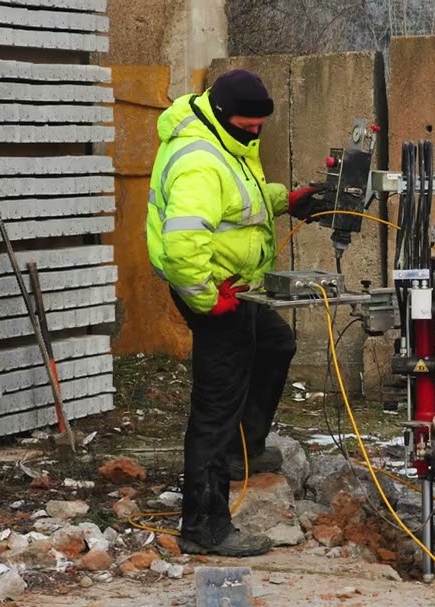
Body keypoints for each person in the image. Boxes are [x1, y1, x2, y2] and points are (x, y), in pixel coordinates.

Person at [146, 69, 327, 556]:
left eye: (259, 127)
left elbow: (240, 204)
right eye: (247, 127)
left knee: (275, 343)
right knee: (215, 408)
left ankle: (240, 450)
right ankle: (204, 526)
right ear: (225, 117)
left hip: (237, 290)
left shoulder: (227, 144)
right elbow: (183, 244)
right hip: (213, 292)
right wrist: (207, 297)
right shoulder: (199, 161)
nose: (254, 134)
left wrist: (286, 200)